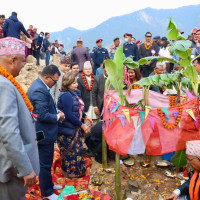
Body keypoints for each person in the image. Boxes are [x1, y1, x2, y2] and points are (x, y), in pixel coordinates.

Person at [0, 37, 39, 200]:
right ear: (13, 59)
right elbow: (9, 131)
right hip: (11, 169)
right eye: (22, 62)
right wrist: (25, 168)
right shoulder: (4, 85)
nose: (23, 67)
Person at [28, 65, 65, 200]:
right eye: (54, 81)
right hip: (43, 133)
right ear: (46, 77)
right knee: (44, 164)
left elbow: (47, 107)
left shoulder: (42, 86)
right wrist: (57, 117)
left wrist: (56, 112)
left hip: (46, 131)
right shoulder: (38, 90)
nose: (55, 84)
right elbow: (42, 115)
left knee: (47, 162)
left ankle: (48, 184)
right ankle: (47, 192)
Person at [57, 72, 93, 178]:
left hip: (73, 128)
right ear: (67, 84)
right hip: (67, 129)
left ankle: (77, 172)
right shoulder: (66, 96)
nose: (76, 85)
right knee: (71, 152)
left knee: (77, 150)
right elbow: (68, 115)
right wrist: (82, 125)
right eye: (73, 83)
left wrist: (85, 116)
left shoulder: (75, 93)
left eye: (76, 82)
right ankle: (70, 173)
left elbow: (77, 109)